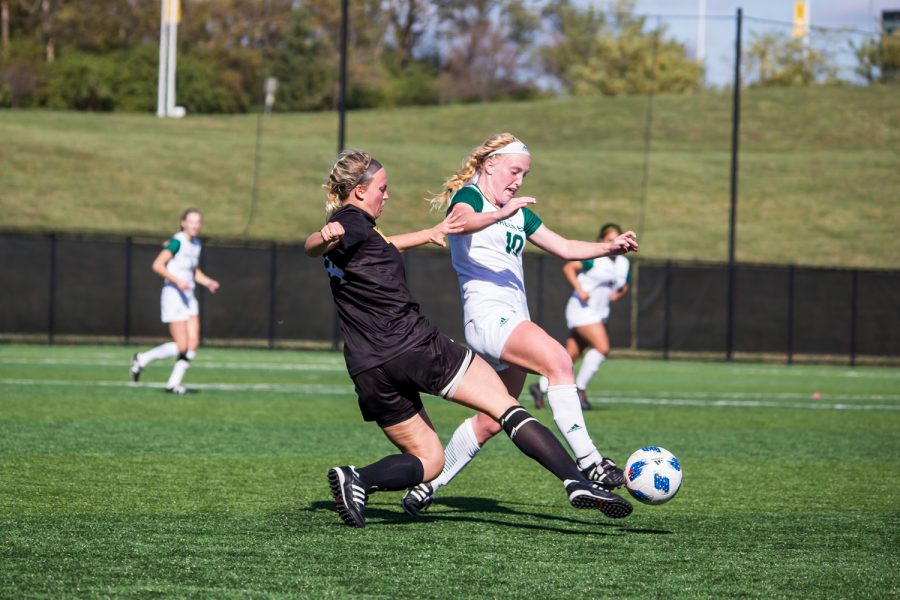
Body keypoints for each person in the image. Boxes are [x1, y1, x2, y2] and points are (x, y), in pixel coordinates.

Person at [304, 149, 632, 528]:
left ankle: (358, 478)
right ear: (359, 191)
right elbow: (316, 243)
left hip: (368, 368)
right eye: (383, 188)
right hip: (413, 346)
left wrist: (428, 233)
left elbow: (376, 244)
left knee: (430, 461)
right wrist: (320, 236)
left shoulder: (357, 229)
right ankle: (578, 478)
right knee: (508, 408)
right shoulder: (352, 223)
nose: (387, 195)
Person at [400, 133, 638, 517]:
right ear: (489, 164)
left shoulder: (515, 210)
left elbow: (563, 247)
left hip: (510, 319)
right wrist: (501, 213)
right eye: (514, 171)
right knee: (559, 361)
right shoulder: (472, 198)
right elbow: (460, 225)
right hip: (489, 317)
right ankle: (591, 462)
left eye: (524, 174)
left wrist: (610, 248)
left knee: (491, 419)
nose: (518, 181)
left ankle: (428, 486)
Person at [530, 222, 631, 410]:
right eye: (609, 239)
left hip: (599, 313)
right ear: (601, 241)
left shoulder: (623, 262)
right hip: (582, 309)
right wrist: (580, 290)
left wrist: (618, 294)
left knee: (569, 356)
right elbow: (568, 268)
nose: (614, 242)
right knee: (602, 348)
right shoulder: (596, 257)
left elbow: (623, 285)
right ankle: (581, 389)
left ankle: (540, 387)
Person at [130, 208, 220, 394]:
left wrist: (208, 281)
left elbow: (193, 271)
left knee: (193, 343)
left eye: (198, 222)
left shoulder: (196, 244)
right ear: (183, 223)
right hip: (173, 295)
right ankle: (142, 358)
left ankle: (173, 383)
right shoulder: (176, 242)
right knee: (182, 346)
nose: (195, 225)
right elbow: (157, 265)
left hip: (188, 297)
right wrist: (177, 280)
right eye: (191, 221)